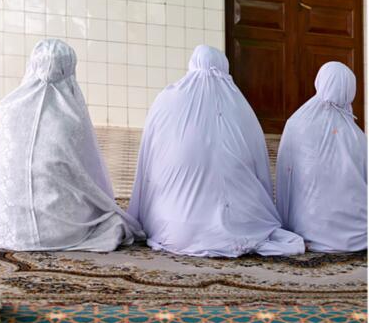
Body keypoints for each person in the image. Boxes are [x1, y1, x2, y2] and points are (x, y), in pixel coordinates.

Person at [128, 45, 305, 257]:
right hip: (244, 223)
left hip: (175, 226)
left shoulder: (167, 99)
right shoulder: (240, 107)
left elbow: (148, 161)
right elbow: (261, 169)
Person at [0, 38, 143, 251]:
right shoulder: (72, 119)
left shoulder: (5, 109)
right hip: (61, 234)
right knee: (109, 220)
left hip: (4, 229)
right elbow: (90, 179)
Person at [276, 61, 367, 252]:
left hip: (303, 226)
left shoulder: (297, 123)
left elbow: (285, 177)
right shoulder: (357, 137)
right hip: (355, 233)